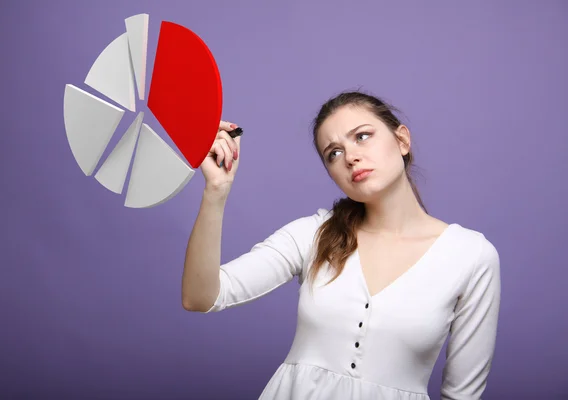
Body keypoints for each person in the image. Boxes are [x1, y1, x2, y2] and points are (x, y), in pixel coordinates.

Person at [181, 90, 501, 400]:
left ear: (402, 140)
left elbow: (462, 395)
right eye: (333, 153)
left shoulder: (470, 256)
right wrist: (217, 191)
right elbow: (201, 297)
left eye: (362, 136)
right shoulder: (313, 235)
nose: (350, 157)